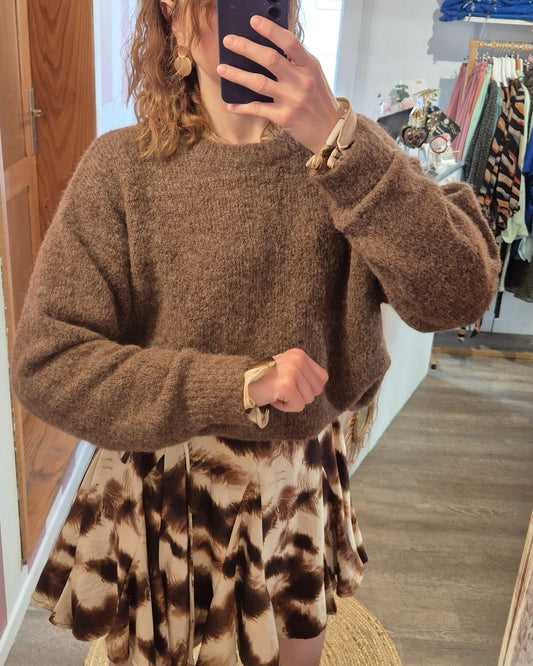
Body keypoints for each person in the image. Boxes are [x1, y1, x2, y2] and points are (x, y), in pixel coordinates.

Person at [11, 0, 501, 664]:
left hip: (293, 492)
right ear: (173, 19)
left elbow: (459, 293)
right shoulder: (120, 169)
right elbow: (47, 362)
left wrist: (338, 140)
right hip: (166, 496)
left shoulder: (343, 157)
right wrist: (238, 385)